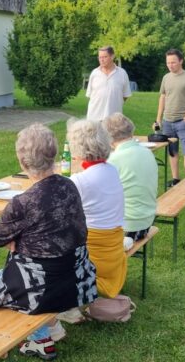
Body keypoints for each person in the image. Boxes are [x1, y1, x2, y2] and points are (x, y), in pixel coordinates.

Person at [0, 124, 97, 360]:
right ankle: (40, 339)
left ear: (22, 162)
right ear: (53, 154)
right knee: (28, 271)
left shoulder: (23, 202)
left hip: (40, 292)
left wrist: (17, 238)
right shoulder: (69, 186)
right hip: (74, 281)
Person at [67, 119, 126, 303]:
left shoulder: (80, 180)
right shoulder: (112, 170)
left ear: (77, 149)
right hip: (114, 251)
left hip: (92, 256)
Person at [104, 113, 158, 248]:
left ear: (109, 138)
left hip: (128, 227)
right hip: (147, 221)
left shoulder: (114, 160)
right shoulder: (147, 152)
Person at [154, 48, 185, 187]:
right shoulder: (166, 78)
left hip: (183, 121)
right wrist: (158, 119)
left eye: (173, 62)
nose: (170, 65)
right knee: (172, 151)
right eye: (168, 63)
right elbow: (163, 97)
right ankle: (176, 179)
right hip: (167, 121)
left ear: (181, 61)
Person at [85, 46, 132, 121]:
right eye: (100, 57)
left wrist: (114, 102)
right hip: (94, 118)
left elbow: (125, 95)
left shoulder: (122, 73)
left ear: (112, 56)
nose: (102, 60)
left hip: (114, 120)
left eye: (105, 57)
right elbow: (90, 95)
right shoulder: (94, 73)